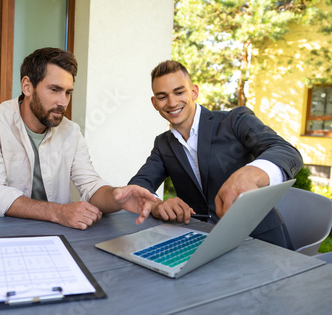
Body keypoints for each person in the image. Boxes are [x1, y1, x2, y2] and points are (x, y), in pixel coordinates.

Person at [0, 47, 155, 230]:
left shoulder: (71, 131)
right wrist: (59, 212)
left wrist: (118, 197)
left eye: (68, 92)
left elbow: (90, 185)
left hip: (52, 233)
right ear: (27, 86)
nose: (63, 102)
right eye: (54, 89)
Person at [128, 60, 303, 249]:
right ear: (154, 103)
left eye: (179, 92)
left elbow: (286, 151)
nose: (172, 102)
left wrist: (252, 173)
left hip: (260, 239)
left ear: (194, 91)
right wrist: (155, 204)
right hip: (201, 243)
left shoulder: (235, 120)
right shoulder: (163, 144)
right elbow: (138, 185)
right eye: (162, 97)